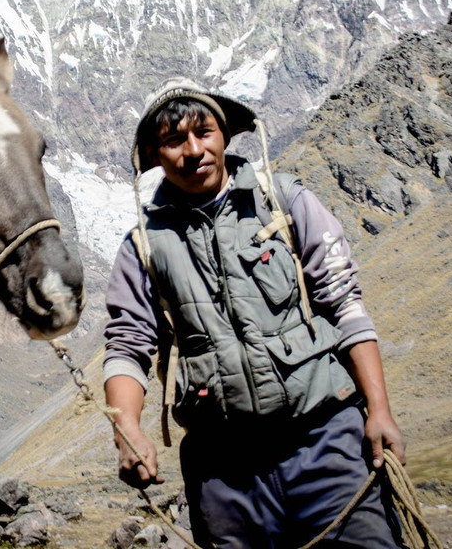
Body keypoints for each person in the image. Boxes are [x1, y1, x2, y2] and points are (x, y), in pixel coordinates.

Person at [104, 79, 405, 548]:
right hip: (224, 473)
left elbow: (343, 301)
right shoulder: (141, 246)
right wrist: (127, 430)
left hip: (325, 440)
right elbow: (128, 346)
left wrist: (380, 411)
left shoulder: (284, 203)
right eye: (172, 140)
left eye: (203, 132)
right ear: (153, 153)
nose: (192, 150)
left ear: (223, 134)